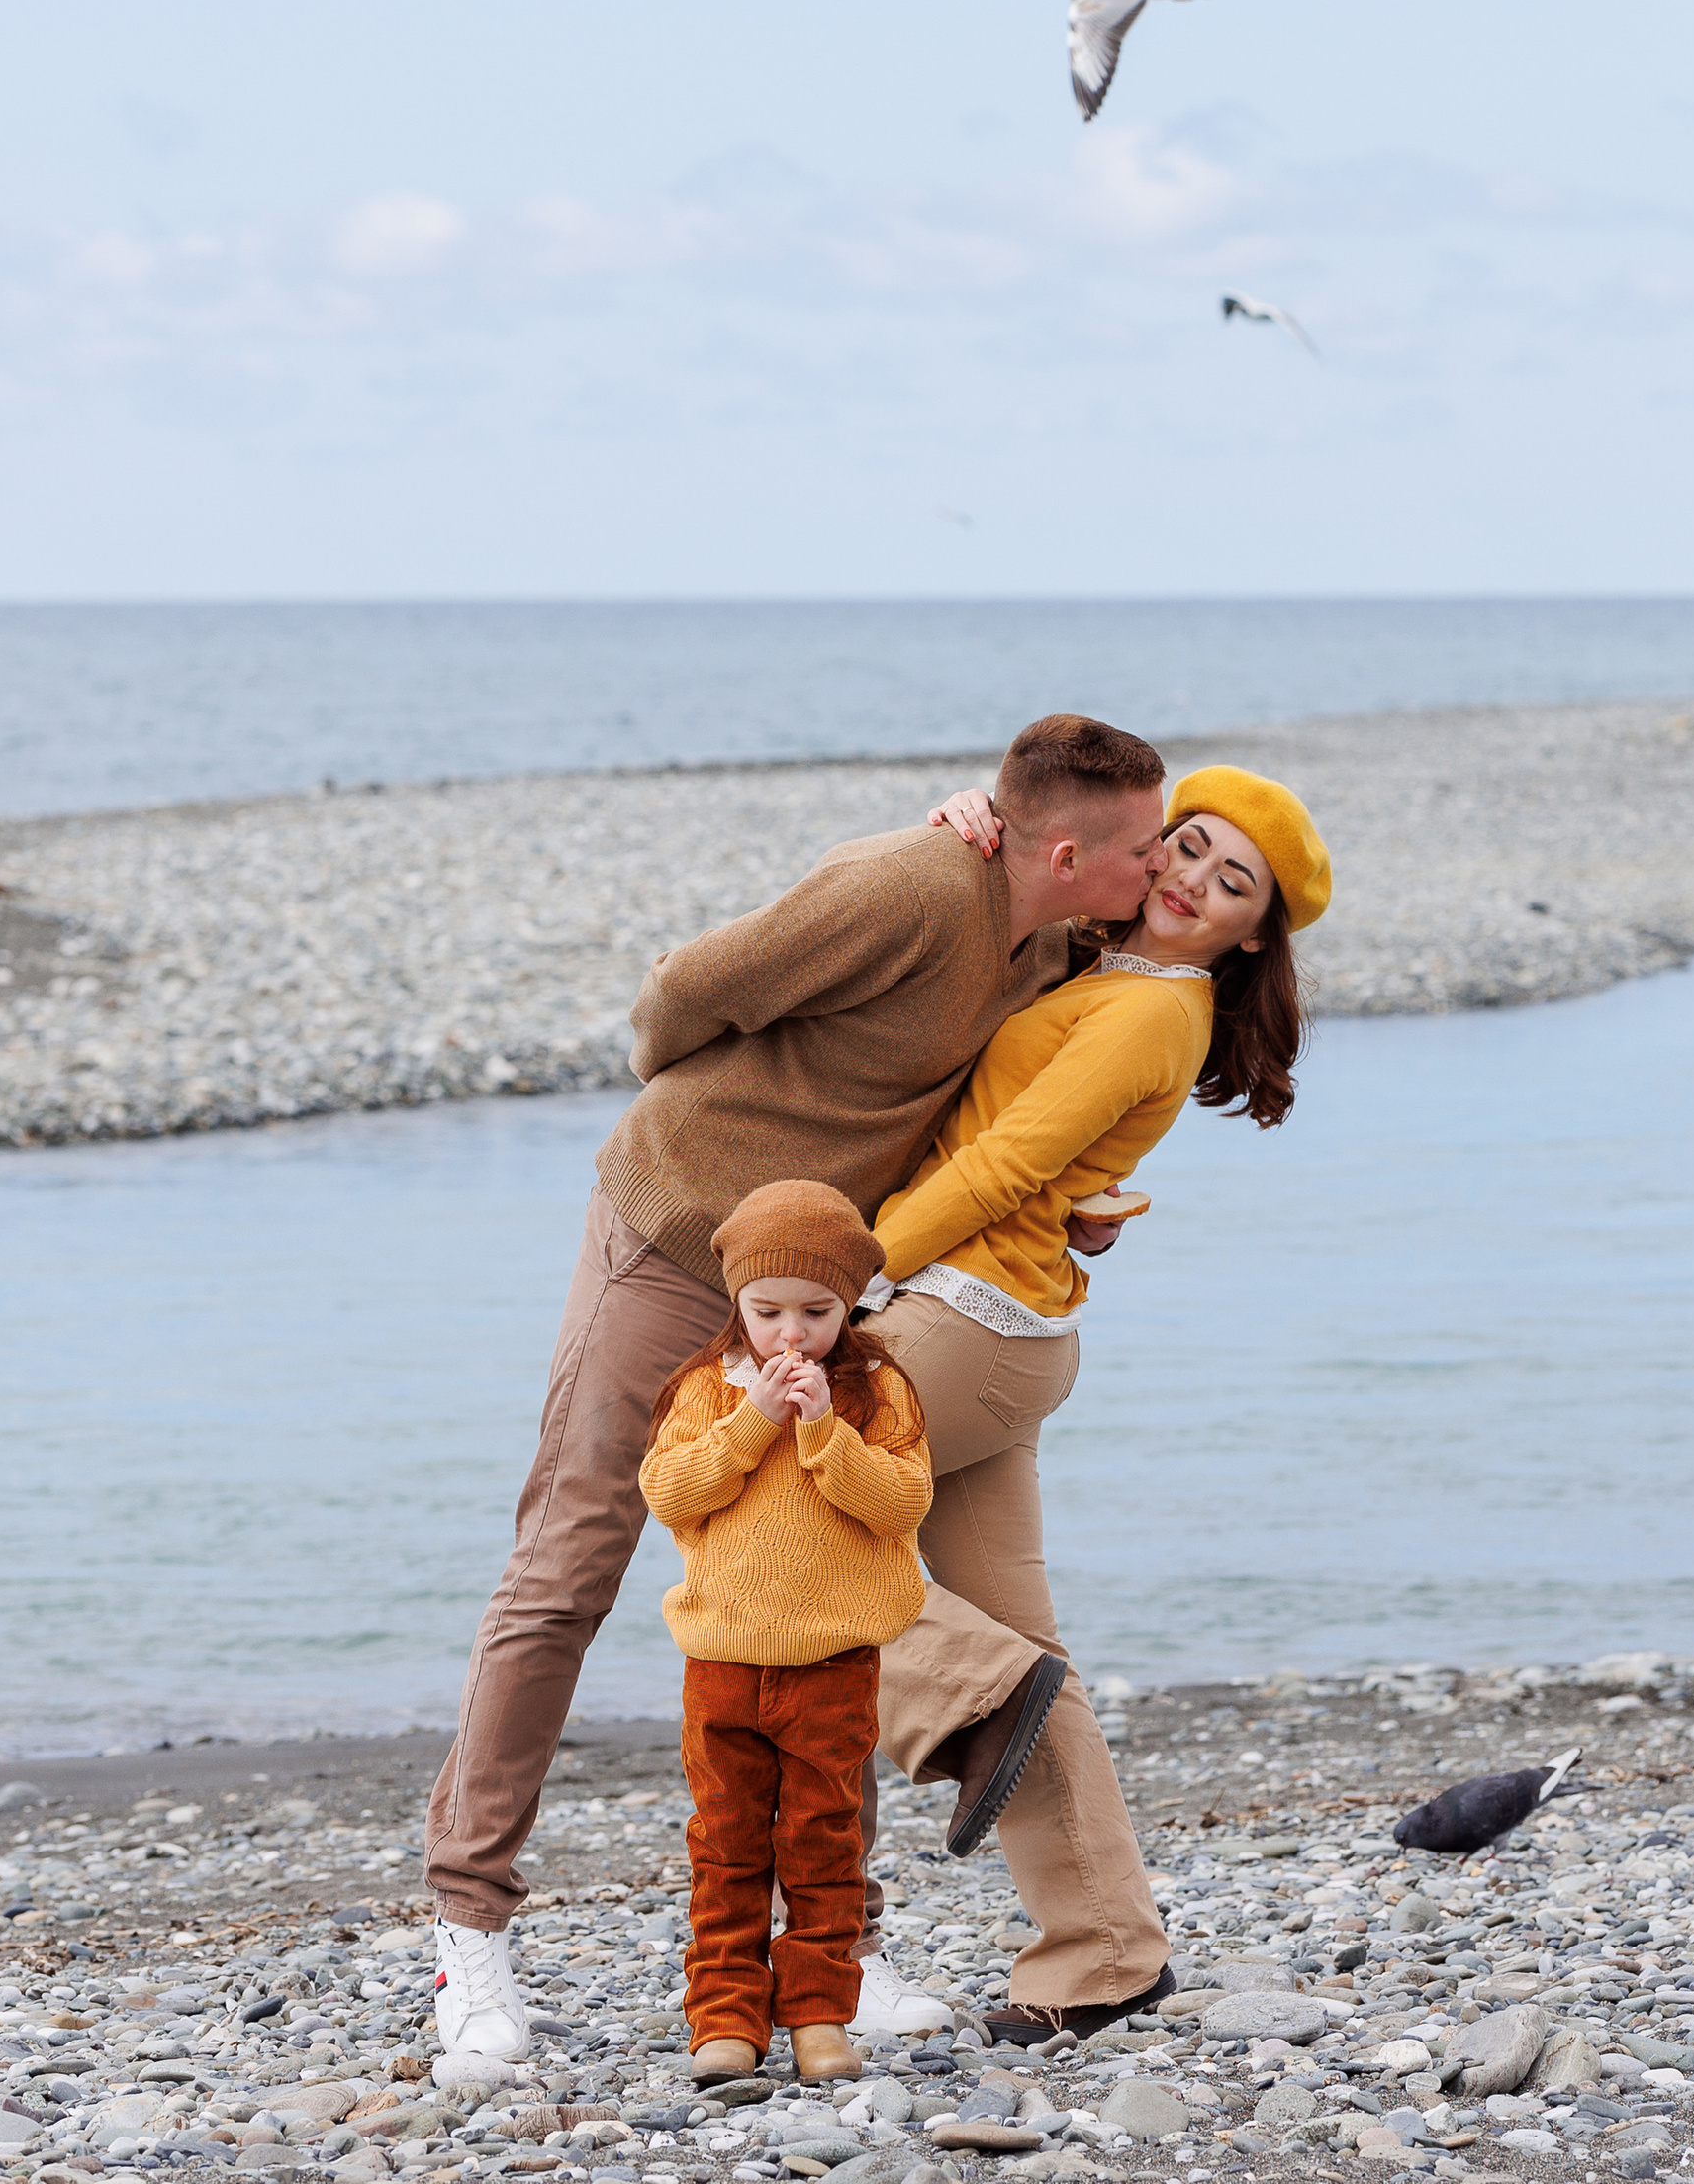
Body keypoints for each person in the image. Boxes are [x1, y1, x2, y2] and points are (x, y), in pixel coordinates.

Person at [424, 712, 1173, 2068]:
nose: (1157, 881)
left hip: (824, 1288)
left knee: (832, 1567)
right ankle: (469, 1938)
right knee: (573, 1559)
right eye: (1142, 855)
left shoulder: (1061, 944)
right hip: (671, 1235)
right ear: (1065, 850)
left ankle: (835, 1953)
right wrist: (704, 1121)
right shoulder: (909, 886)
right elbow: (685, 990)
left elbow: (996, 1118)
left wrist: (1080, 1210)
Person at [861, 765, 1331, 2044]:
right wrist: (970, 818)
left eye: (1232, 883)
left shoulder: (1149, 1013)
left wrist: (861, 1263)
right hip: (1009, 1330)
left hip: (962, 1322)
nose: (1192, 882)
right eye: (1186, 849)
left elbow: (1014, 1159)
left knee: (769, 1501)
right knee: (1026, 1642)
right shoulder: (1109, 972)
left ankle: (965, 1693)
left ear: (1251, 938)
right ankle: (1106, 1955)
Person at [640, 1181, 932, 2087]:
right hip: (722, 1661)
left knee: (823, 1841)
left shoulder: (879, 1388)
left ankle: (817, 2014)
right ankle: (725, 2015)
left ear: (851, 1306)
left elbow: (903, 1504)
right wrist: (752, 1423)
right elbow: (670, 1494)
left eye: (817, 1311)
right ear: (737, 1303)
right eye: (767, 1312)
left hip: (833, 1664)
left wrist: (822, 1433)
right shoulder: (702, 1388)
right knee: (725, 1845)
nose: (790, 1335)